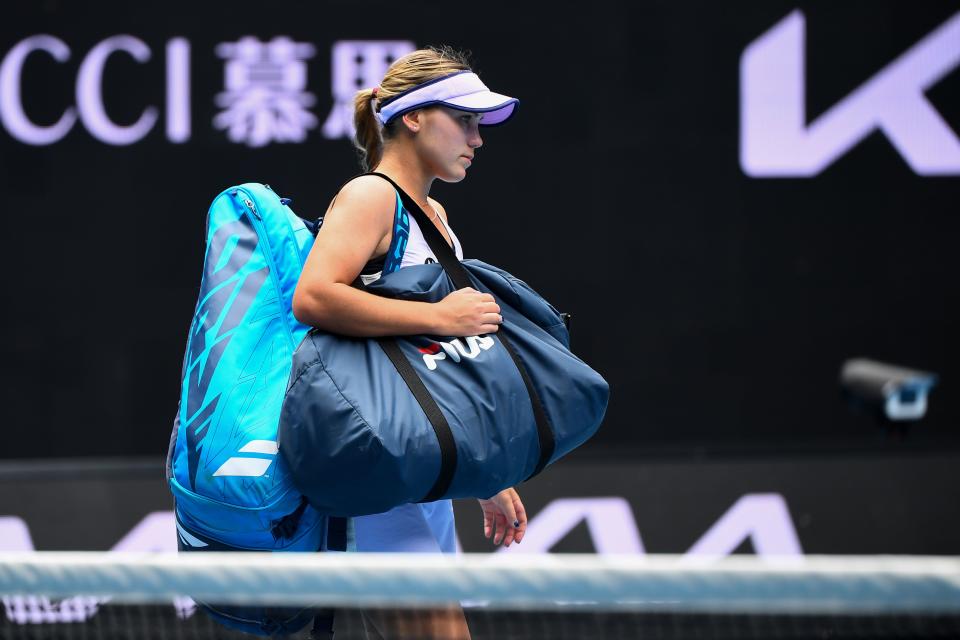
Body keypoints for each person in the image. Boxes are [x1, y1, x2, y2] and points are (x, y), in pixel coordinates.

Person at [291, 46, 528, 639]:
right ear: (415, 117)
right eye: (465, 121)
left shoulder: (437, 215)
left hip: (421, 470)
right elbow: (315, 297)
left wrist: (477, 471)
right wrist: (443, 318)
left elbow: (433, 368)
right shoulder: (370, 196)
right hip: (375, 470)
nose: (477, 138)